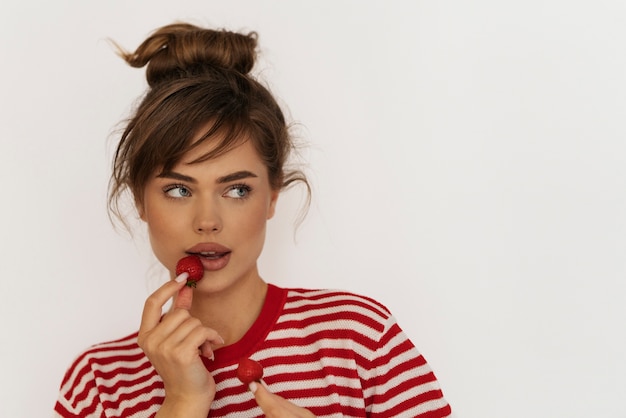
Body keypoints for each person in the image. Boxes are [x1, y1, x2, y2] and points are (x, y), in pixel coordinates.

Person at [54, 22, 452, 417]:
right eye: (179, 190)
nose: (207, 221)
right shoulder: (97, 384)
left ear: (272, 197)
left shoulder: (360, 339)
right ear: (140, 201)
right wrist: (182, 403)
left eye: (237, 189)